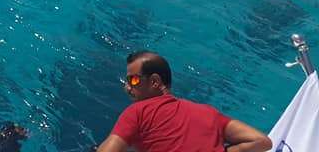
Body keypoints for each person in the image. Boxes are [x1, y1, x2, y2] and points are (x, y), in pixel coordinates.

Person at [95, 51, 272, 152]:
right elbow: (262, 141)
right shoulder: (209, 112)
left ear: (155, 82)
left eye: (133, 80)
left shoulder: (137, 111)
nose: (127, 87)